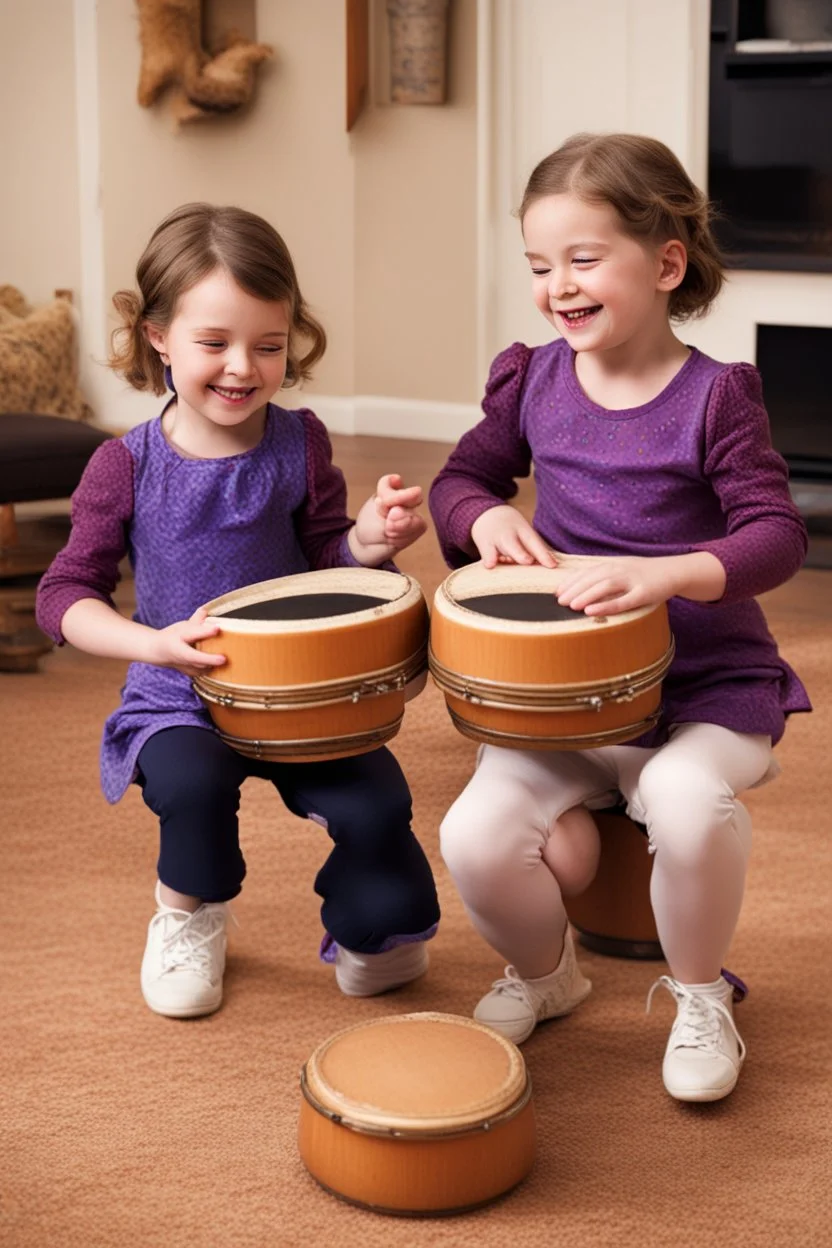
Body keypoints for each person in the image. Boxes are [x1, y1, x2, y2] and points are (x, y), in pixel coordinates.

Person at [429, 133, 810, 1102]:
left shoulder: (715, 396)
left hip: (702, 691)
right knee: (474, 836)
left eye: (583, 259)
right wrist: (483, 520)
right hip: (567, 697)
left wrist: (670, 572)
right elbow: (464, 478)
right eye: (538, 265)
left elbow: (775, 537)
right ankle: (546, 974)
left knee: (688, 803)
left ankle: (697, 993)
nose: (557, 285)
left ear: (666, 263)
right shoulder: (534, 377)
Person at [36, 203, 439, 1020]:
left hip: (304, 686)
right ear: (157, 336)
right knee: (191, 784)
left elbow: (328, 561)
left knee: (378, 804)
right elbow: (63, 596)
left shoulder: (301, 442)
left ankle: (377, 929)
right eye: (213, 343)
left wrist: (365, 539)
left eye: (267, 345)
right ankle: (190, 914)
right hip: (181, 690)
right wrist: (150, 643)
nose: (241, 368)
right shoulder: (124, 464)